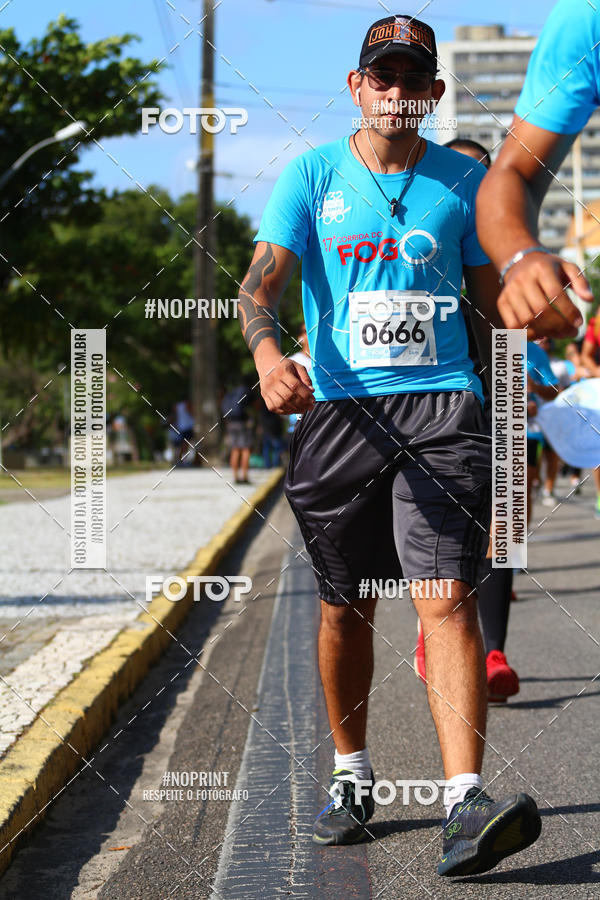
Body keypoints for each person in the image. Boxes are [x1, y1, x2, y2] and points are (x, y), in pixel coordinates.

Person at [237, 14, 541, 877]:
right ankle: (351, 776)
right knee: (345, 605)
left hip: (445, 410)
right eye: (384, 75)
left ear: (435, 93)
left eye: (414, 78)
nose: (398, 91)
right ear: (357, 85)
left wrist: (512, 404)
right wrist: (267, 356)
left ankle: (463, 803)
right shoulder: (310, 175)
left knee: (443, 596)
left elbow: (493, 317)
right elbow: (262, 284)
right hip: (340, 414)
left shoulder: (465, 187)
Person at [476, 0, 600, 513]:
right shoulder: (587, 19)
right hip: (480, 404)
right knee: (505, 489)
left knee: (518, 481)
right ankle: (504, 564)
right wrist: (521, 256)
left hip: (529, 402)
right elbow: (512, 174)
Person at [414, 137, 521, 704]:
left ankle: (495, 652)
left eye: (481, 176)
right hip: (427, 402)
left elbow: (517, 320)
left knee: (501, 528)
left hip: (493, 393)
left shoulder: (504, 249)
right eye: (460, 175)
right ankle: (434, 633)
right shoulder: (419, 243)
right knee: (433, 536)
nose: (471, 185)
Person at [221, 382, 254, 484]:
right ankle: (244, 476)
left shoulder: (229, 395)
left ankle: (235, 476)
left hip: (231, 424)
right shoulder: (245, 392)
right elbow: (252, 407)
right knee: (245, 449)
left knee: (235, 449)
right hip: (242, 423)